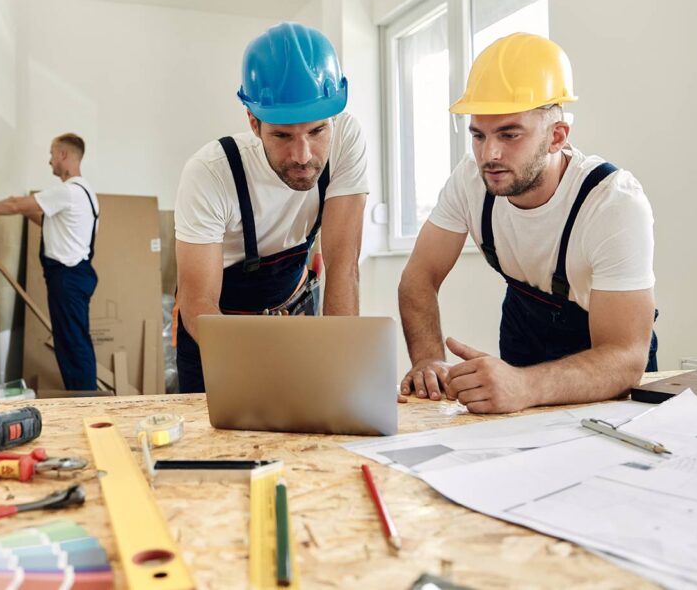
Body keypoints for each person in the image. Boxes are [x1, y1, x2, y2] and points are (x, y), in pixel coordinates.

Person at [397, 33, 657, 414]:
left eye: (509, 134)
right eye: (478, 136)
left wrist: (525, 384)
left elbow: (625, 357)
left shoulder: (612, 204)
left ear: (556, 136)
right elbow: (418, 278)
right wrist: (428, 362)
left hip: (605, 367)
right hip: (525, 333)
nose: (490, 154)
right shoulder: (470, 181)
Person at [174, 22, 369, 393]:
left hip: (291, 309)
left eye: (316, 132)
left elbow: (343, 263)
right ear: (253, 122)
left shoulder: (346, 139)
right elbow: (198, 300)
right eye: (282, 135)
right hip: (217, 325)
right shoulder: (211, 173)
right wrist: (252, 372)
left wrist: (345, 370)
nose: (303, 156)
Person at [0, 133, 100, 390]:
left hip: (68, 278)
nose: (49, 161)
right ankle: (84, 398)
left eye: (51, 154)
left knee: (72, 343)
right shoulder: (87, 194)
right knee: (73, 340)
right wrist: (25, 209)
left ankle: (85, 401)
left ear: (63, 155)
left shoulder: (68, 192)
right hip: (76, 276)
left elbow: (15, 205)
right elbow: (49, 222)